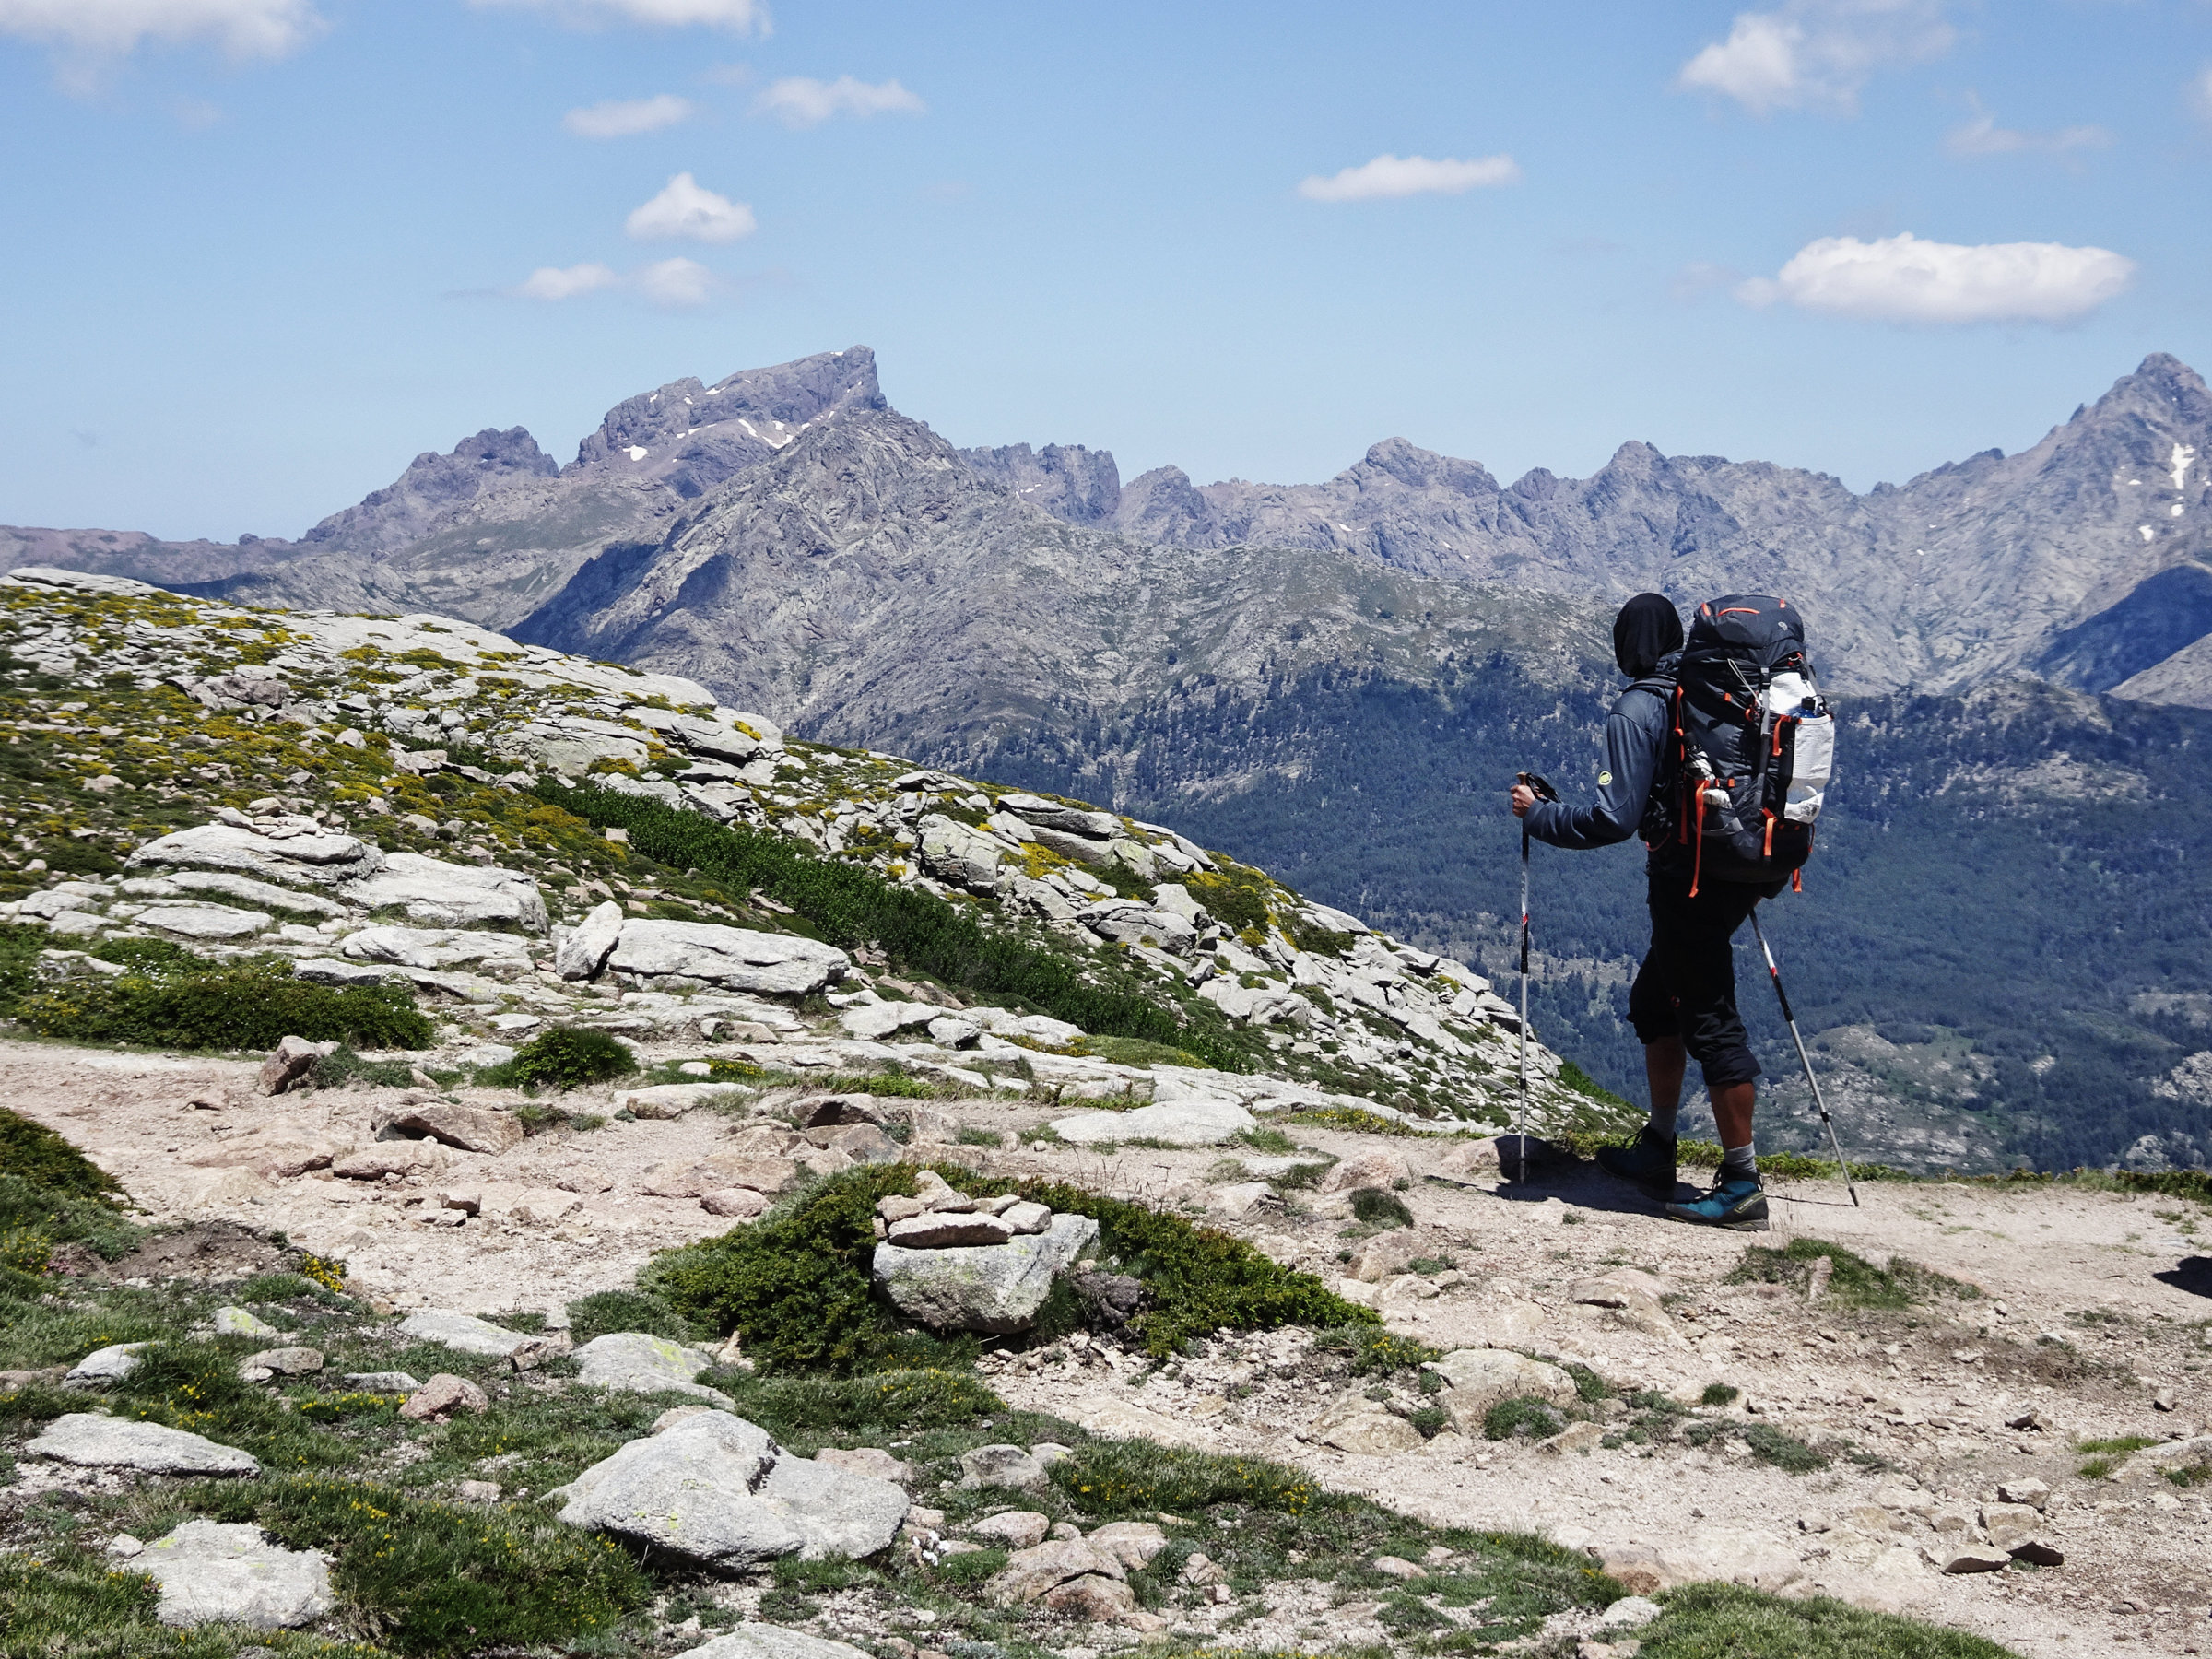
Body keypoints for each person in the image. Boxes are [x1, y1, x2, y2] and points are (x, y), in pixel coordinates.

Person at [1507, 592, 1783, 1231]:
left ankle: (1742, 1184)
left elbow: (1614, 818)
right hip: (1735, 869)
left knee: (1710, 1020)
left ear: (1627, 644)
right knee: (1656, 1004)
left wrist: (1540, 814)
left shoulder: (1637, 708)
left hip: (1686, 881)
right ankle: (1658, 1147)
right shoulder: (1707, 694)